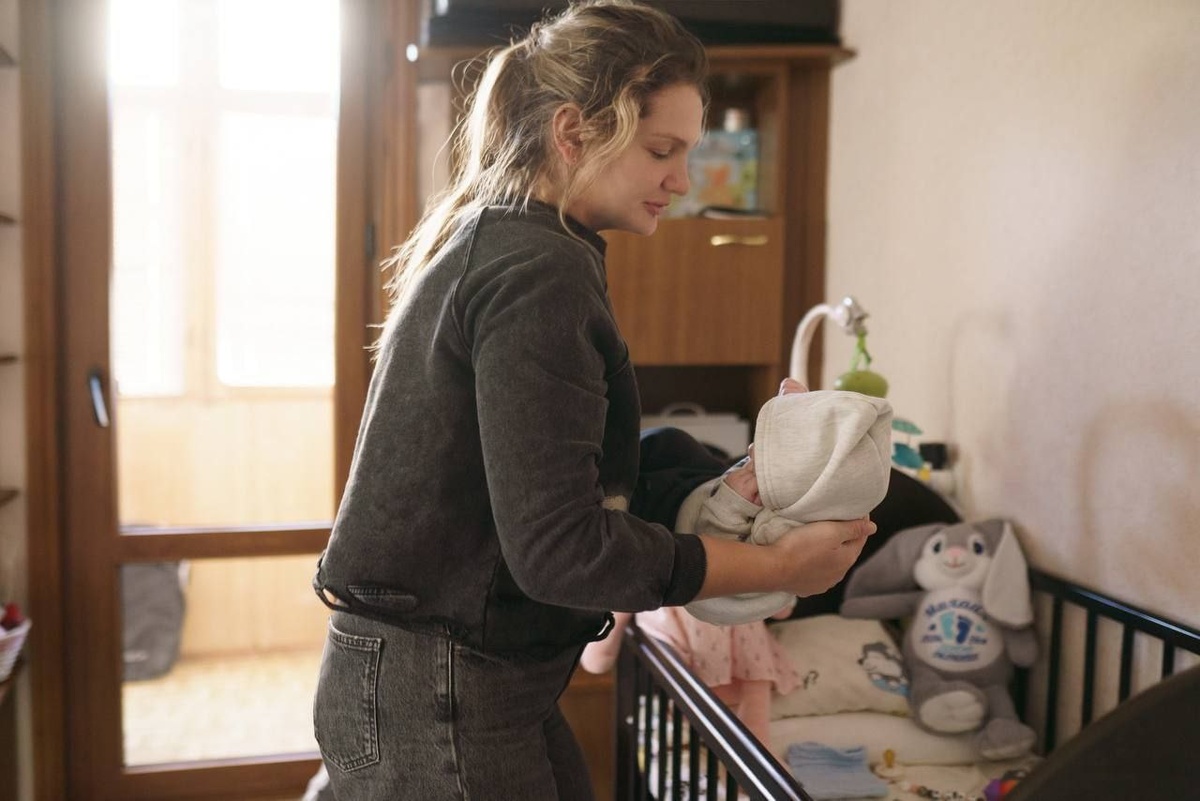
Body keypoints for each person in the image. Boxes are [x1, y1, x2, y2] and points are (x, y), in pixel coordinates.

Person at [310, 3, 875, 800]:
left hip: (449, 674)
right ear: (574, 133)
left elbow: (550, 478)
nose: (683, 180)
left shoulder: (509, 239)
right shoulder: (540, 269)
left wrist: (713, 489)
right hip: (438, 681)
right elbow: (560, 550)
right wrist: (781, 566)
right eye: (662, 151)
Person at [580, 379, 891, 748]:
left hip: (744, 627)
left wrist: (783, 581)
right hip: (696, 654)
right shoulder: (647, 570)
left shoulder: (751, 539)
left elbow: (781, 597)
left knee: (755, 727)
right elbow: (597, 660)